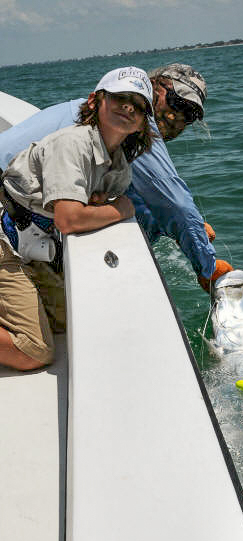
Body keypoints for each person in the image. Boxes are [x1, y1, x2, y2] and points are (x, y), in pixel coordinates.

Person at [0, 63, 232, 290]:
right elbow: (174, 203)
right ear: (151, 87)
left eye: (189, 113)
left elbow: (144, 196)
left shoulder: (110, 126)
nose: (176, 116)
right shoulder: (128, 126)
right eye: (175, 102)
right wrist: (207, 268)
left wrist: (188, 231)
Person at [0, 66, 156, 371]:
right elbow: (69, 219)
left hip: (29, 244)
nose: (128, 107)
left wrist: (97, 207)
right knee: (34, 350)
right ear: (95, 101)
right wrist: (124, 209)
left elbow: (91, 205)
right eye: (120, 97)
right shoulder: (72, 143)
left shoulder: (118, 163)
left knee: (67, 321)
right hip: (5, 240)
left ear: (141, 123)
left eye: (138, 105)